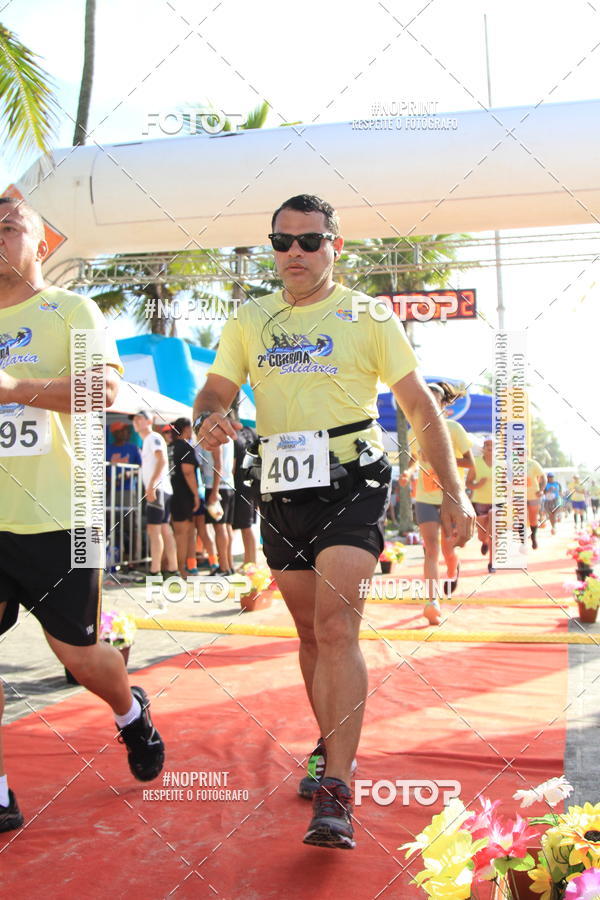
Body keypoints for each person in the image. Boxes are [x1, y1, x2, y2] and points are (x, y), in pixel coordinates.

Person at [192, 194, 474, 850]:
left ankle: (339, 786)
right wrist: (210, 415)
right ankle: (329, 740)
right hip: (281, 488)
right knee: (310, 636)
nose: (295, 253)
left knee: (335, 624)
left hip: (353, 481)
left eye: (310, 242)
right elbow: (216, 390)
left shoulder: (368, 314)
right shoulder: (249, 318)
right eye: (282, 241)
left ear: (335, 247)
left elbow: (419, 406)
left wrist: (454, 494)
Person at [0, 197, 165, 832]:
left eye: (12, 228)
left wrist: (13, 390)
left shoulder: (71, 310)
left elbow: (103, 392)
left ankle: (130, 713)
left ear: (42, 246)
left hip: (58, 516)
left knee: (77, 652)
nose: (0, 236)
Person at [402, 381, 475, 624]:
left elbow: (470, 464)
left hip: (450, 500)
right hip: (424, 498)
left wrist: (444, 462)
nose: (430, 405)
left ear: (444, 404)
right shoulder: (414, 431)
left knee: (447, 550)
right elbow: (415, 461)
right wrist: (409, 472)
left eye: (435, 400)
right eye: (426, 400)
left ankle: (453, 568)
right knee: (431, 549)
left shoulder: (453, 430)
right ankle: (432, 602)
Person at [132, 410, 178, 579]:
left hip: (158, 489)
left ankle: (155, 572)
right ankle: (172, 570)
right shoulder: (149, 440)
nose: (135, 422)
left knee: (155, 530)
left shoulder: (153, 438)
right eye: (134, 419)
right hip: (161, 488)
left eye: (139, 418)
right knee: (164, 529)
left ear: (149, 420)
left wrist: (151, 485)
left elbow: (162, 460)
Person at [169, 417, 202, 577]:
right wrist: (196, 495)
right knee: (182, 534)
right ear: (185, 429)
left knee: (172, 533)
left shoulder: (170, 447)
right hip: (182, 495)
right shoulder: (185, 447)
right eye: (190, 428)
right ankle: (179, 569)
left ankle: (171, 567)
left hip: (169, 494)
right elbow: (188, 472)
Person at [466, 436, 495, 572]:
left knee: (494, 532)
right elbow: (468, 483)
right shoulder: (476, 462)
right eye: (487, 446)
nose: (490, 448)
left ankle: (492, 563)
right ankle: (484, 542)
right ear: (483, 449)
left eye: (492, 446)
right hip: (479, 503)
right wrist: (478, 484)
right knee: (483, 535)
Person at [232, 422, 258, 566]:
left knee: (245, 526)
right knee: (247, 525)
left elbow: (232, 466)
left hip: (240, 486)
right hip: (253, 483)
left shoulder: (234, 438)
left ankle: (250, 562)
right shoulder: (251, 433)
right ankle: (249, 561)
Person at [526, 458, 546, 548]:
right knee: (520, 518)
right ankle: (522, 542)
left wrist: (541, 490)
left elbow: (543, 477)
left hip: (533, 495)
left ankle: (533, 537)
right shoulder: (512, 465)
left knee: (533, 518)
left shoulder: (533, 464)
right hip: (518, 495)